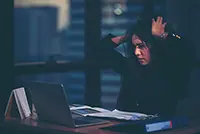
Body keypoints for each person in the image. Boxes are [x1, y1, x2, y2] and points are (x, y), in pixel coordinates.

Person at [94, 16, 194, 117]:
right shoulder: (131, 66)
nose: (137, 52)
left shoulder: (171, 68)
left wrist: (162, 36)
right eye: (134, 47)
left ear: (154, 45)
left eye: (141, 46)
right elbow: (99, 51)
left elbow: (186, 53)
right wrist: (124, 38)